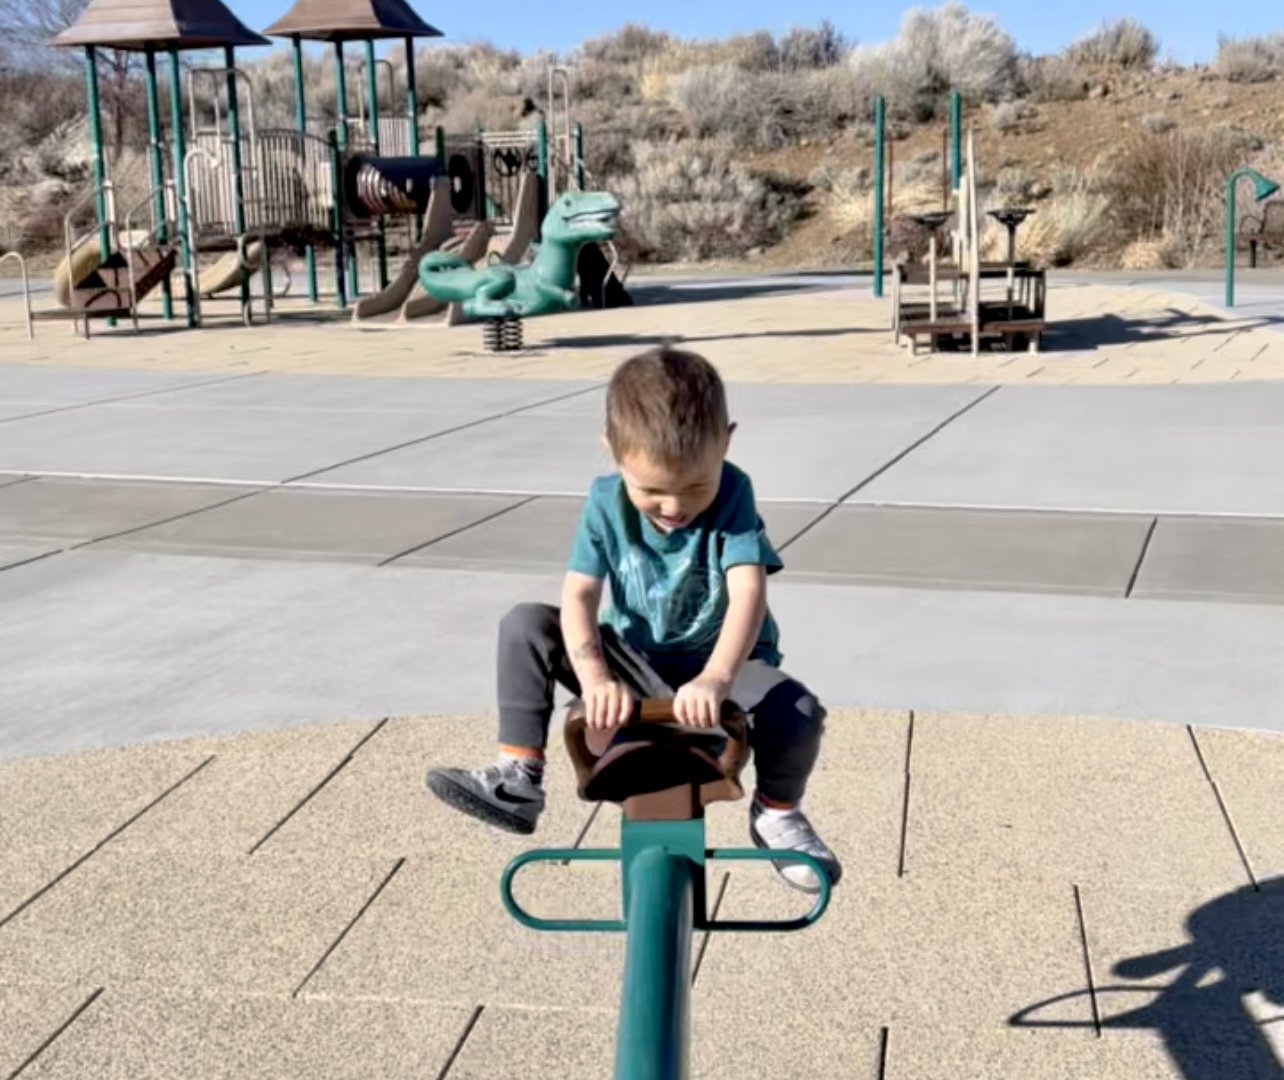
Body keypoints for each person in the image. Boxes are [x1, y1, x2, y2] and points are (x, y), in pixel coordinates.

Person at [426, 346, 841, 893]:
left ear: (726, 444)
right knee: (525, 623)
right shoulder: (604, 504)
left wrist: (716, 678)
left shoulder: (735, 492)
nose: (673, 507)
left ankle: (777, 811)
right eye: (650, 491)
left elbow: (748, 593)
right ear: (613, 453)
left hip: (722, 665)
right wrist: (596, 676)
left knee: (799, 710)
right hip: (634, 661)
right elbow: (578, 598)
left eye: (695, 486)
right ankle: (519, 776)